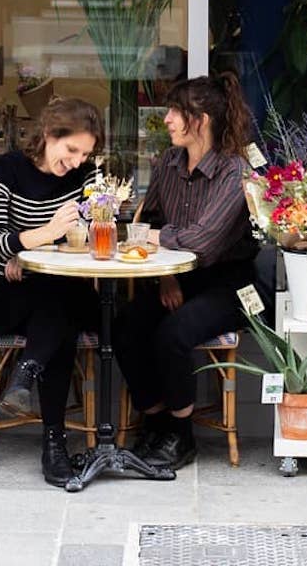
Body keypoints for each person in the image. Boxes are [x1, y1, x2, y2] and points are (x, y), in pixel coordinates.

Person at [114, 73, 255, 471]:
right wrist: (166, 276)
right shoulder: (168, 163)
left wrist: (157, 238)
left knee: (173, 334)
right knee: (125, 325)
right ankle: (156, 421)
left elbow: (203, 242)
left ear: (202, 119)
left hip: (230, 282)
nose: (168, 120)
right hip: (177, 276)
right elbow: (147, 222)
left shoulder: (234, 171)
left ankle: (181, 435)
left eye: (176, 112)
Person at [0, 96, 103, 487]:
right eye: (71, 149)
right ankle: (54, 443)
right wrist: (41, 237)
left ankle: (27, 374)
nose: (78, 161)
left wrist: (26, 250)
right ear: (48, 134)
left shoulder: (87, 176)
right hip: (0, 291)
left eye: (86, 153)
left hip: (55, 288)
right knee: (61, 310)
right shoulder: (4, 170)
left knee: (59, 304)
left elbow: (95, 240)